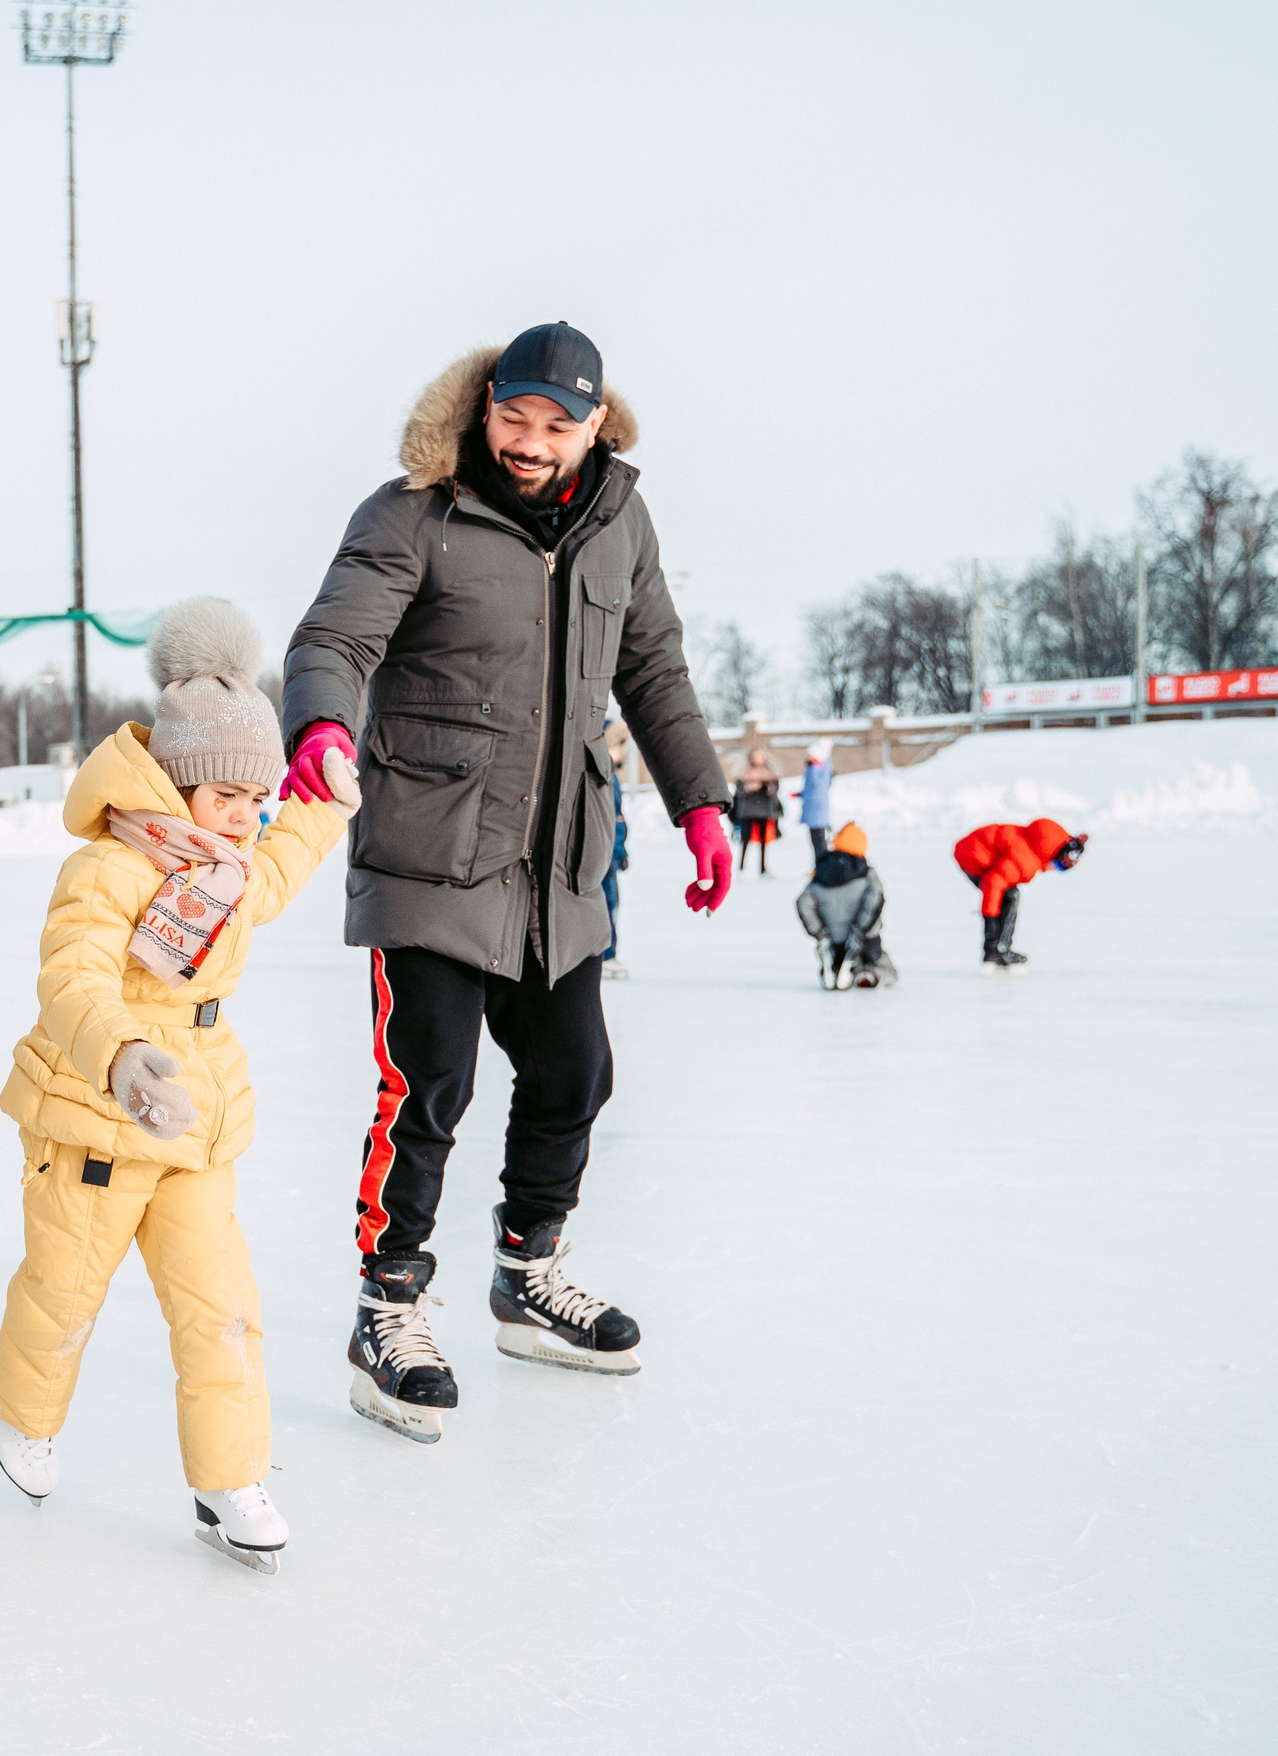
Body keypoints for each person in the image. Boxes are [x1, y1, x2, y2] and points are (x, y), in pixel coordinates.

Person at [279, 320, 732, 1443]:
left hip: (558, 863)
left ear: (593, 426)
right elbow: (332, 637)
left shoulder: (619, 520)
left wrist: (704, 802)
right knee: (426, 1089)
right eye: (513, 417)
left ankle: (527, 1273)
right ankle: (386, 1310)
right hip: (430, 850)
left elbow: (654, 666)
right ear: (483, 408)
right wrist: (323, 723)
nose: (530, 442)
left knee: (575, 1071)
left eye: (555, 424)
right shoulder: (413, 513)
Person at [0, 601, 353, 1573]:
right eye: (223, 794)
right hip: (99, 1114)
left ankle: (228, 1476)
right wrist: (120, 1055)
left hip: (193, 1120)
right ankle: (18, 1408)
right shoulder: (109, 867)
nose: (243, 815)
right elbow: (72, 979)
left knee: (220, 1306)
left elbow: (275, 868)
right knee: (62, 1293)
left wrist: (325, 799)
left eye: (255, 797)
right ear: (175, 779)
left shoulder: (225, 870)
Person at [954, 817, 1086, 971]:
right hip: (972, 855)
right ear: (1053, 853)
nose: (1054, 869)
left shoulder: (1035, 846)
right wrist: (989, 919)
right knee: (1010, 896)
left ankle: (1000, 948)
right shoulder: (1025, 860)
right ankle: (997, 950)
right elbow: (993, 882)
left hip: (975, 850)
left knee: (1009, 894)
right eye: (1058, 865)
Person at [795, 820, 894, 988]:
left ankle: (833, 967)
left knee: (837, 954)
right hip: (864, 937)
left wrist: (820, 932)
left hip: (834, 939)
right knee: (887, 969)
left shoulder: (821, 871)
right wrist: (859, 928)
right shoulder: (866, 871)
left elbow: (803, 902)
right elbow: (875, 899)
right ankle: (869, 972)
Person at [600, 743, 630, 978]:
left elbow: (618, 818)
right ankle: (604, 954)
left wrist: (621, 851)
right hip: (602, 849)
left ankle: (607, 953)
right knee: (605, 903)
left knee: (611, 902)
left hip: (611, 849)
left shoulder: (612, 775)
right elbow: (608, 817)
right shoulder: (603, 775)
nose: (621, 752)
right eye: (618, 746)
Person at [732, 745, 783, 876]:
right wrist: (751, 787)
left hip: (764, 810)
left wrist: (766, 787)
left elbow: (775, 789)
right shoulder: (744, 772)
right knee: (745, 839)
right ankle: (741, 867)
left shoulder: (770, 772)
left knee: (763, 841)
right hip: (747, 811)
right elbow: (739, 791)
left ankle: (763, 868)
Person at [797, 737, 835, 859]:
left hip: (817, 811)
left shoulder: (819, 768)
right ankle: (818, 865)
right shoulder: (812, 768)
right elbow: (810, 789)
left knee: (819, 841)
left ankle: (822, 865)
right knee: (815, 840)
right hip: (812, 809)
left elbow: (818, 787)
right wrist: (799, 794)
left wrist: (814, 768)